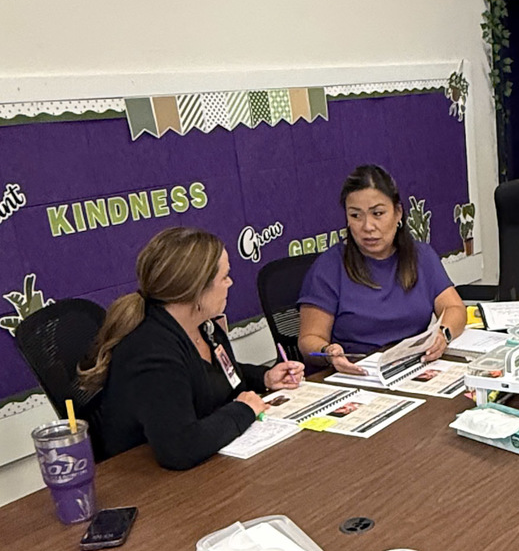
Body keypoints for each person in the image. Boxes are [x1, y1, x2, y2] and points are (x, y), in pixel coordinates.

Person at [81, 227, 305, 470]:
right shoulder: (150, 350)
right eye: (224, 277)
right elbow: (179, 448)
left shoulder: (203, 325)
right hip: (146, 480)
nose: (230, 282)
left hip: (210, 463)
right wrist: (243, 410)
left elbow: (215, 376)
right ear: (197, 289)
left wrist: (264, 377)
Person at [297, 164, 466, 375]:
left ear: (398, 213)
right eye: (356, 216)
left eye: (378, 213)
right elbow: (308, 340)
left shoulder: (421, 256)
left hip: (412, 367)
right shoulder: (329, 268)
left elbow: (455, 309)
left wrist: (443, 335)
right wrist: (328, 352)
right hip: (356, 374)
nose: (367, 226)